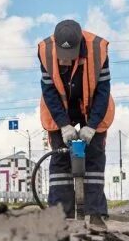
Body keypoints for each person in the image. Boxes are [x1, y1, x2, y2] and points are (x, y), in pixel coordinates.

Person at [39, 19, 115, 225]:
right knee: (59, 157)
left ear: (80, 45)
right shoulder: (46, 51)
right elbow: (49, 92)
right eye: (62, 57)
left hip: (92, 104)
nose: (65, 61)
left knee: (95, 155)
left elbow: (102, 91)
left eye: (70, 56)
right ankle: (60, 215)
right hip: (60, 107)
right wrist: (64, 125)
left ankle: (96, 214)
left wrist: (91, 126)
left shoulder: (98, 50)